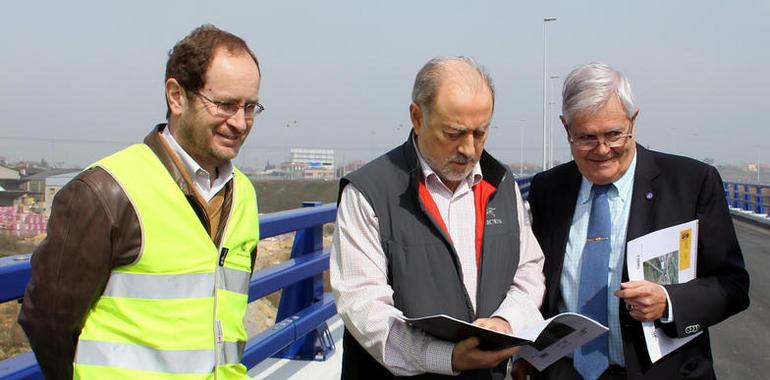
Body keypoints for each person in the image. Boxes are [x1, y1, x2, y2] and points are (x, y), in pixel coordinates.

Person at [18, 24, 263, 379]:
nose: (240, 123)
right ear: (176, 96)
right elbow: (47, 321)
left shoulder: (243, 195)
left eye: (250, 107)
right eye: (225, 105)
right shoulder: (106, 192)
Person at [522, 62, 750, 379]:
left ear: (634, 120)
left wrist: (670, 301)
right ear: (565, 128)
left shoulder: (690, 183)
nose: (602, 150)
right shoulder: (548, 189)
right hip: (564, 371)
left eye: (614, 134)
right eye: (586, 137)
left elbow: (733, 285)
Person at [330, 56, 546, 379]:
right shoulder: (368, 193)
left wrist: (507, 322)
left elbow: (528, 271)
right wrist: (447, 357)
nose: (470, 150)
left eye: (481, 132)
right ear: (417, 117)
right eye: (453, 133)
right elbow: (363, 307)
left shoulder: (501, 184)